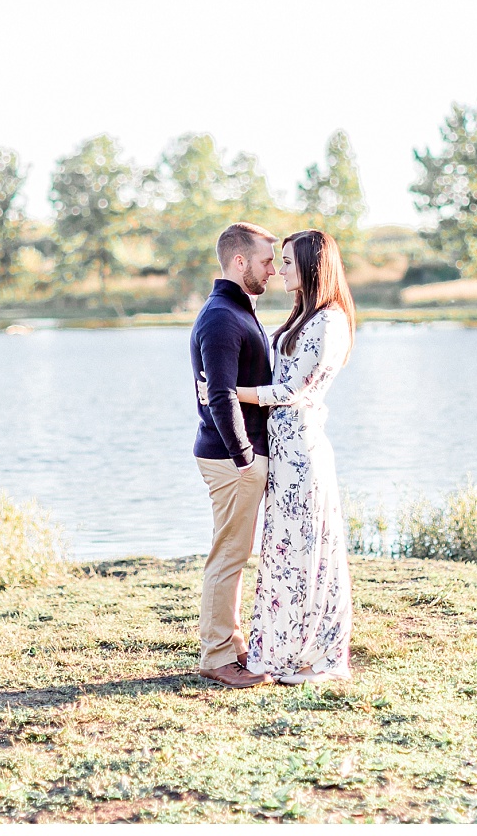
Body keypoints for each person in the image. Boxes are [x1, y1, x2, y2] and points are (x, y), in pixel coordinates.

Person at [236, 229, 356, 684]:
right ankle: (280, 645)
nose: (279, 269)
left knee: (305, 550)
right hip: (283, 451)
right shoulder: (304, 316)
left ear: (310, 266)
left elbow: (292, 390)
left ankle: (312, 654)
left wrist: (230, 395)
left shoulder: (330, 322)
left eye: (286, 262)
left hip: (303, 452)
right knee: (284, 550)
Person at [188, 222, 279, 688]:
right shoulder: (222, 316)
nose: (274, 269)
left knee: (236, 551)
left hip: (235, 456)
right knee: (228, 555)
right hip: (230, 458)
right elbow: (219, 396)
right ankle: (217, 655)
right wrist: (245, 457)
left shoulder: (238, 309)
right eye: (266, 260)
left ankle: (232, 643)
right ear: (239, 261)